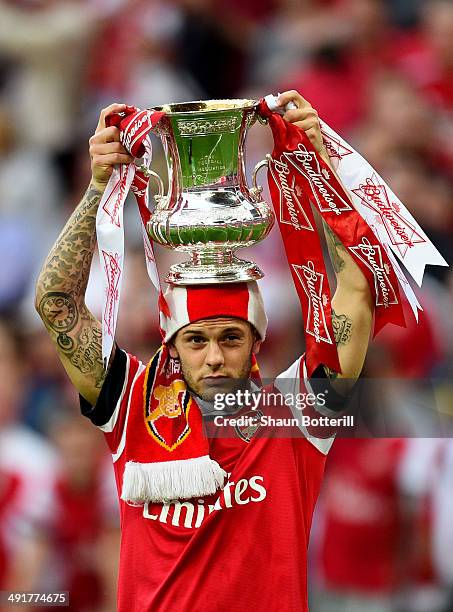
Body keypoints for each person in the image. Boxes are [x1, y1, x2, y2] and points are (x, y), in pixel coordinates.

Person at [35, 90, 374, 611]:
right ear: (171, 343)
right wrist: (100, 185)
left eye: (231, 338)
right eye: (196, 340)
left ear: (258, 342)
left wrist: (319, 165)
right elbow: (56, 303)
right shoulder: (130, 407)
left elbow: (355, 290)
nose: (214, 357)